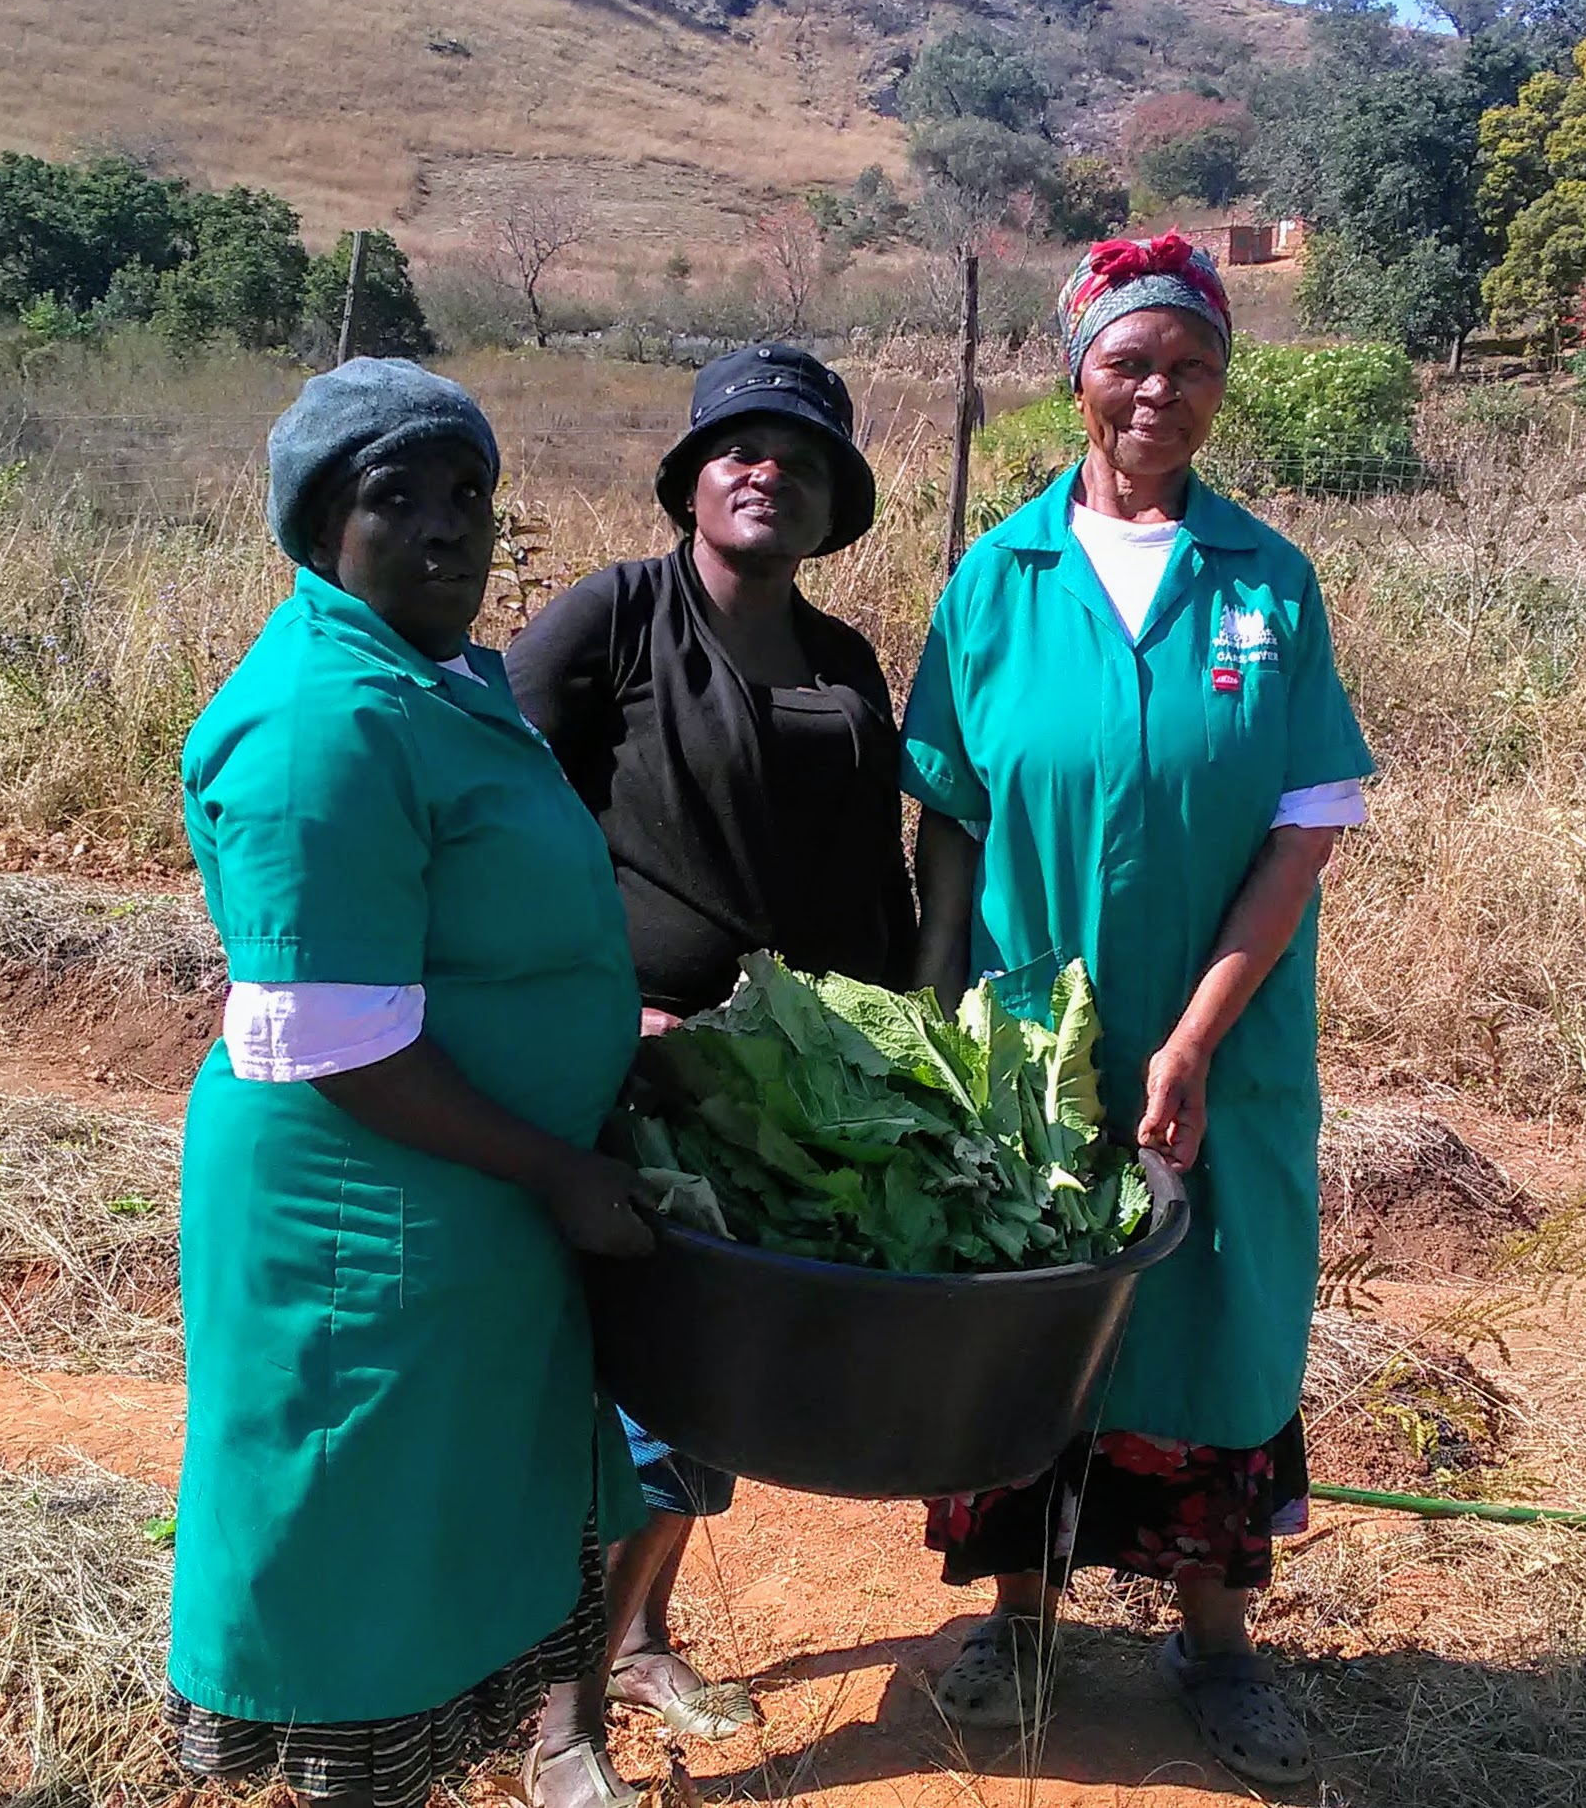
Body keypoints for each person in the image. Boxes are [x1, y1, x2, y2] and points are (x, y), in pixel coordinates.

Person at [900, 234, 1373, 1787]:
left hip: (1222, 1051)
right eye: (1130, 359)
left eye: (1190, 364)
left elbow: (1301, 831)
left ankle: (1215, 1646)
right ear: (1077, 375)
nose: (1158, 389)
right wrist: (939, 1010)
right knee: (1030, 1323)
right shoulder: (996, 579)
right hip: (1028, 1042)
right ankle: (1027, 1625)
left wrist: (1189, 1040)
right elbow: (954, 815)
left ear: (1221, 386)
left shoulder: (1268, 581)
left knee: (1217, 1321)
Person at [167, 357, 659, 1808]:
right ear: (324, 524)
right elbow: (329, 1038)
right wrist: (560, 1168)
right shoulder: (324, 720)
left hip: (461, 1219)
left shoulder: (432, 680)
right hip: (364, 1228)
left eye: (471, 494)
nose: (450, 527)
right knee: (363, 1583)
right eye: (400, 496)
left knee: (442, 1552)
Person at [506, 342, 914, 1790]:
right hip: (637, 1075)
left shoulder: (847, 660)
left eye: (800, 458)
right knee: (642, 1390)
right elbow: (496, 817)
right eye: (739, 449)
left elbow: (882, 877)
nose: (767, 471)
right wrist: (603, 1016)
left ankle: (638, 1635)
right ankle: (569, 1729)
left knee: (717, 1384)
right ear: (690, 482)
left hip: (794, 1093)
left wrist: (906, 1050)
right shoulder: (613, 619)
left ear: (830, 504)